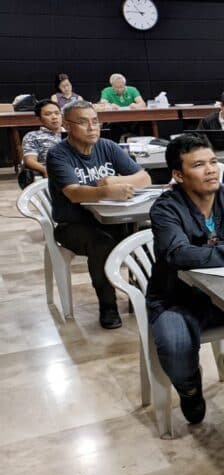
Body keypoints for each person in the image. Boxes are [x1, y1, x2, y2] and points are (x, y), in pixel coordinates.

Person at [147, 133, 224, 424]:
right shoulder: (166, 208)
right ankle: (189, 389)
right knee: (175, 347)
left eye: (213, 161)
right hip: (178, 299)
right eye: (198, 165)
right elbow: (178, 255)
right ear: (178, 175)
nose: (211, 170)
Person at [46, 100, 152, 328]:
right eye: (83, 122)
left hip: (114, 220)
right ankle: (108, 306)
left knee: (148, 235)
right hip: (73, 225)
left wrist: (116, 180)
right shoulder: (58, 155)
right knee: (101, 243)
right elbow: (73, 193)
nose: (92, 127)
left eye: (95, 121)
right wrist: (105, 191)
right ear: (67, 125)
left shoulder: (108, 146)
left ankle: (146, 296)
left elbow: (144, 178)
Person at [19, 100, 63, 187]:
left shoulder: (72, 133)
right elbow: (29, 161)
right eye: (48, 114)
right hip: (49, 175)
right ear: (39, 119)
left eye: (57, 113)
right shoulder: (33, 136)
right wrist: (45, 170)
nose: (54, 117)